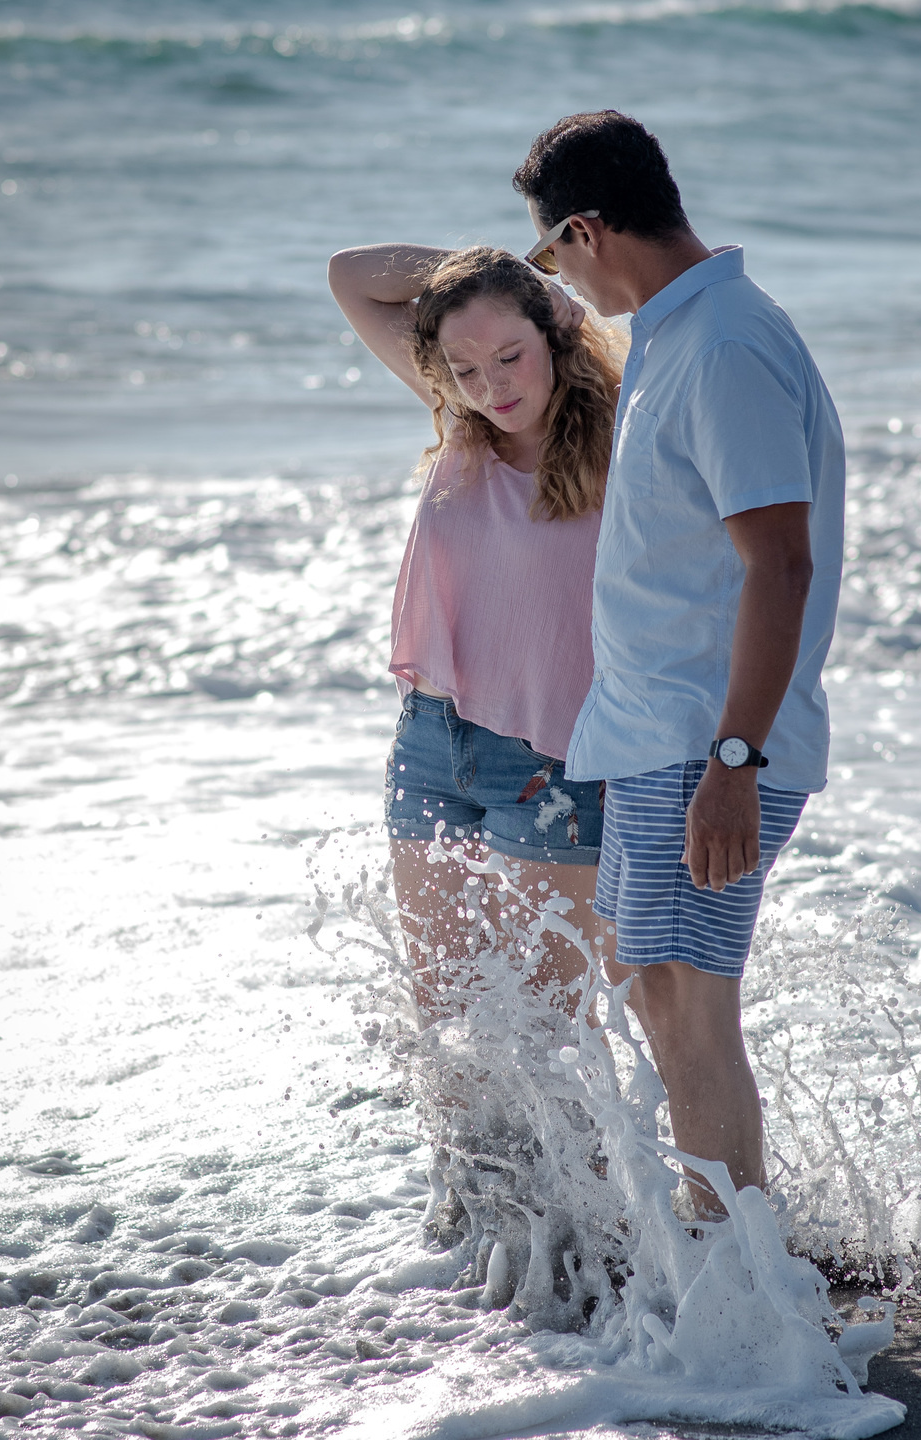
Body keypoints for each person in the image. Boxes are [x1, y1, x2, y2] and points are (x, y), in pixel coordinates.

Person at [514, 110, 847, 1210]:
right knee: (662, 996)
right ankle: (740, 1264)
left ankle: (742, 1293)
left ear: (587, 229)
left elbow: (782, 563)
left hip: (703, 745)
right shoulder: (681, 333)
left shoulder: (722, 346)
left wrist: (734, 762)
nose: (557, 277)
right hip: (664, 737)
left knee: (682, 1000)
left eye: (548, 251)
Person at [324, 242, 625, 1017]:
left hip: (553, 761)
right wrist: (503, 281)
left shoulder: (628, 435)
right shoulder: (465, 423)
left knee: (552, 1027)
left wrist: (534, 288)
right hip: (431, 742)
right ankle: (461, 1149)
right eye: (465, 369)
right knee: (447, 1018)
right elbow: (351, 277)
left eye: (510, 355)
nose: (492, 386)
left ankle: (590, 1148)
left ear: (556, 333)